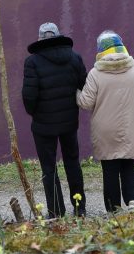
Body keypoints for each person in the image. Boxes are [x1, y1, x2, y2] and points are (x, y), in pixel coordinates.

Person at [77, 30, 134, 212]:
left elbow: (86, 102)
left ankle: (113, 208)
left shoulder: (96, 73)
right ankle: (132, 201)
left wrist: (76, 92)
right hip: (130, 125)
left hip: (105, 129)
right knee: (128, 163)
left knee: (109, 168)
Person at [21, 21, 87, 218]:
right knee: (73, 163)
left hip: (43, 125)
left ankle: (56, 211)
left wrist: (35, 113)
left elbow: (29, 97)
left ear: (40, 38)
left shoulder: (32, 62)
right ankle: (79, 207)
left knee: (49, 168)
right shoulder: (75, 58)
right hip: (69, 122)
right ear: (58, 35)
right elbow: (83, 85)